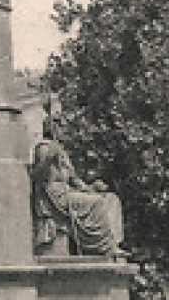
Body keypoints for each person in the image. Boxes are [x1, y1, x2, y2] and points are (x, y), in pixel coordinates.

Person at [30, 99, 125, 258]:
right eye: (61, 127)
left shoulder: (61, 150)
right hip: (55, 197)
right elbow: (37, 175)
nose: (64, 131)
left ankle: (112, 243)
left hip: (69, 192)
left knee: (110, 199)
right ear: (52, 128)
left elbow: (74, 180)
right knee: (97, 203)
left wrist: (91, 188)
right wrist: (48, 158)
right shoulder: (44, 147)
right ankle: (105, 248)